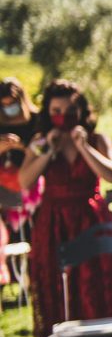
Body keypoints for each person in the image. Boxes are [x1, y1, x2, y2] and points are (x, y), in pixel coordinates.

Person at [19, 79, 112, 337]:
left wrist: (83, 147)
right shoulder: (40, 142)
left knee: (94, 286)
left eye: (69, 110)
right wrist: (48, 151)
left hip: (90, 220)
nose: (63, 115)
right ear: (48, 112)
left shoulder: (96, 138)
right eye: (56, 110)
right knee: (57, 288)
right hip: (53, 225)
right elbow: (25, 180)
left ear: (80, 110)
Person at [0, 78, 42, 238]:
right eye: (3, 105)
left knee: (32, 234)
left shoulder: (36, 119)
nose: (8, 108)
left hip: (32, 184)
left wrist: (22, 147)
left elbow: (43, 151)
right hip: (5, 186)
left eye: (11, 104)